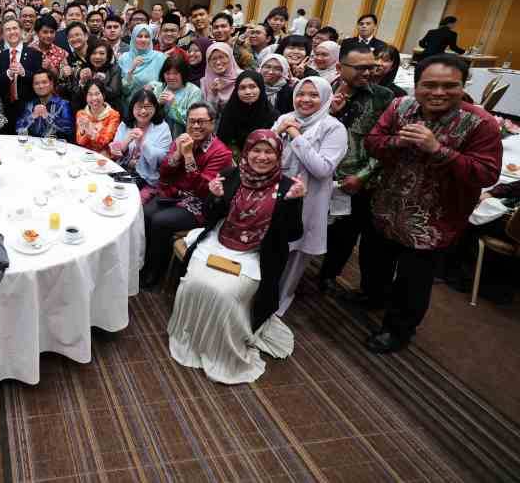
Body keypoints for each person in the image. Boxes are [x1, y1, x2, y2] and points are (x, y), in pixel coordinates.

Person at [365, 56, 501, 353]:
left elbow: (486, 174)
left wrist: (437, 149)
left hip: (434, 221)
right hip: (388, 204)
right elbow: (372, 142)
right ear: (416, 86)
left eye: (449, 86)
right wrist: (397, 143)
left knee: (413, 282)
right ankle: (372, 297)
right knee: (376, 261)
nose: (438, 92)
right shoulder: (400, 107)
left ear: (463, 87)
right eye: (430, 85)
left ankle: (398, 330)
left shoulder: (482, 124)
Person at [167, 130, 305, 384]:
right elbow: (211, 217)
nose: (261, 157)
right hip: (219, 243)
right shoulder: (232, 175)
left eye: (269, 152)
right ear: (246, 151)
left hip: (257, 252)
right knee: (193, 283)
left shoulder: (287, 187)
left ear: (278, 156)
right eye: (256, 150)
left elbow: (293, 234)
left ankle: (222, 349)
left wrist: (292, 203)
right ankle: (194, 337)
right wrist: (215, 198)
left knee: (226, 294)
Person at [318, 44, 394, 303]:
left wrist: (363, 176)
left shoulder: (383, 97)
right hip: (320, 173)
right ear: (340, 68)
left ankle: (327, 277)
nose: (368, 73)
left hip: (356, 181)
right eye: (360, 68)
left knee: (345, 234)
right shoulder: (322, 90)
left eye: (371, 67)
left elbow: (385, 144)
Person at [272, 77, 348, 316]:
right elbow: (263, 150)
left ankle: (280, 302)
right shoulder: (285, 117)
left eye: (313, 95)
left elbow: (322, 168)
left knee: (296, 253)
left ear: (325, 98)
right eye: (301, 93)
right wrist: (277, 131)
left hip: (309, 199)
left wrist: (295, 134)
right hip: (277, 193)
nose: (305, 99)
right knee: (273, 247)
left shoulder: (333, 128)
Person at [141, 102, 233, 289]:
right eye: (192, 122)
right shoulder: (181, 140)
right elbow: (165, 173)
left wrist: (189, 156)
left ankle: (154, 274)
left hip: (199, 204)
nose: (196, 126)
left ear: (212, 123)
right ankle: (143, 263)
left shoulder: (221, 152)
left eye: (201, 121)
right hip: (174, 194)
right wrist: (176, 155)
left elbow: (202, 189)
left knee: (160, 221)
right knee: (144, 213)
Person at [108, 88, 172, 192]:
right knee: (103, 180)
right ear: (132, 108)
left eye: (148, 107)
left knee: (118, 188)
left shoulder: (162, 127)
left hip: (145, 176)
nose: (143, 111)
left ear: (155, 108)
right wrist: (126, 141)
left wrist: (143, 143)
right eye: (139, 107)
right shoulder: (126, 124)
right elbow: (115, 154)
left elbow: (163, 160)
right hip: (122, 169)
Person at [216, 72, 279, 158]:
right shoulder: (230, 112)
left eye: (252, 87)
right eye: (242, 88)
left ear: (261, 88)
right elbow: (221, 143)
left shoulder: (272, 115)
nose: (248, 92)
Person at [0, 17, 42, 130]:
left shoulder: (34, 53)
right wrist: (8, 74)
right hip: (6, 108)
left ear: (21, 31)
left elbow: (40, 81)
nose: (12, 32)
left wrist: (24, 72)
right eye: (8, 29)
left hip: (28, 106)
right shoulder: (1, 55)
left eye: (15, 28)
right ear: (4, 34)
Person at [150, 56, 203, 138]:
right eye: (167, 73)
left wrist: (173, 105)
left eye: (175, 73)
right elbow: (147, 117)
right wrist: (158, 104)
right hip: (157, 138)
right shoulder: (159, 89)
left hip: (183, 139)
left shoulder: (194, 92)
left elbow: (192, 121)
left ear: (183, 73)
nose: (171, 77)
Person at [119, 24, 166, 114]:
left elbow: (165, 84)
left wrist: (153, 87)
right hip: (130, 108)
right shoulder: (124, 58)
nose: (143, 39)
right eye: (139, 36)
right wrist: (131, 70)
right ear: (133, 38)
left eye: (147, 36)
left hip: (152, 107)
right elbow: (123, 90)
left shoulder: (160, 57)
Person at [16, 69, 74, 139]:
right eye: (36, 83)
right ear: (33, 87)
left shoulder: (63, 104)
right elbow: (18, 128)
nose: (40, 86)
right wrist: (32, 116)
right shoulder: (30, 104)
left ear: (51, 84)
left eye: (44, 82)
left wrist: (47, 116)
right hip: (32, 146)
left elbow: (69, 129)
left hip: (54, 146)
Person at [74, 80, 121, 154]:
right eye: (90, 94)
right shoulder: (81, 114)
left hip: (104, 157)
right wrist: (84, 131)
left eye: (97, 94)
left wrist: (89, 130)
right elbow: (80, 142)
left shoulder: (113, 115)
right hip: (85, 155)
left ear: (103, 95)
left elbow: (105, 141)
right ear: (86, 97)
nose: (94, 98)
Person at [199, 42, 240, 116]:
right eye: (213, 59)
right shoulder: (205, 82)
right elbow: (209, 114)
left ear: (230, 58)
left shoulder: (242, 77)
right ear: (208, 62)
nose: (218, 62)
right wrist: (213, 94)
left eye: (221, 57)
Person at [80, 42, 122, 110]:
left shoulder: (114, 69)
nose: (97, 56)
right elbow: (76, 96)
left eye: (102, 53)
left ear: (108, 56)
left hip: (109, 110)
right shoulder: (83, 68)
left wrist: (99, 82)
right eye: (94, 53)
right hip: (86, 111)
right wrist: (82, 82)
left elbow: (114, 93)